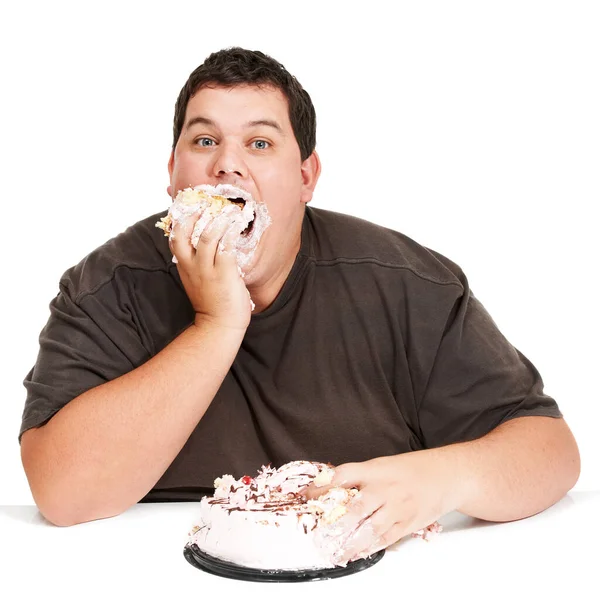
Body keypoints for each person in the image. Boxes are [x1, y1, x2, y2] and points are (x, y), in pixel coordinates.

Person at [20, 48, 580, 559]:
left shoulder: (405, 283)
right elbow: (63, 495)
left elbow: (550, 450)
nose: (227, 165)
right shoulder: (107, 285)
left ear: (306, 176)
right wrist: (218, 323)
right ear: (173, 174)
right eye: (204, 141)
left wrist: (447, 477)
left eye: (259, 143)